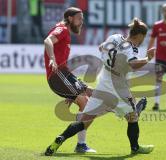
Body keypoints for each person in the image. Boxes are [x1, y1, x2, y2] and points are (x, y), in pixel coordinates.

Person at [44, 18, 155, 156]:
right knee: (133, 118)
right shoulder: (131, 49)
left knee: (84, 121)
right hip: (119, 88)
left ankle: (60, 138)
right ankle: (135, 147)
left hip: (102, 85)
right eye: (144, 37)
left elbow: (101, 47)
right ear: (140, 36)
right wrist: (147, 59)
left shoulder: (115, 37)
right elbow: (133, 64)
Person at [44, 7, 96, 153]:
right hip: (58, 75)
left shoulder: (64, 31)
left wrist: (71, 93)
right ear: (70, 18)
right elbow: (48, 41)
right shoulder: (62, 29)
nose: (81, 22)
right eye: (80, 18)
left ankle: (123, 107)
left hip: (65, 74)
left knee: (92, 94)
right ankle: (80, 145)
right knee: (86, 102)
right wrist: (52, 60)